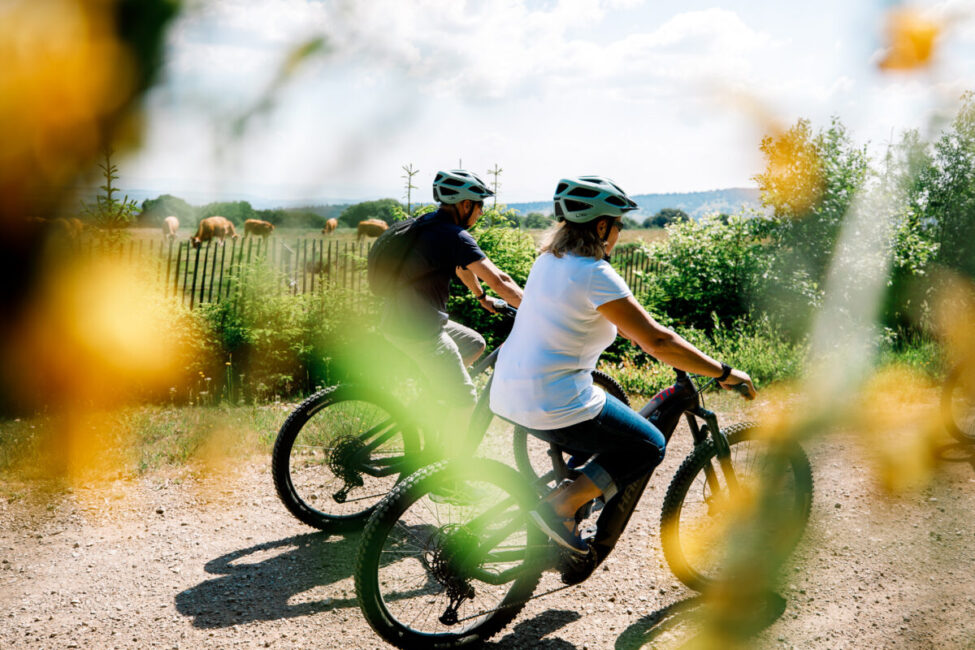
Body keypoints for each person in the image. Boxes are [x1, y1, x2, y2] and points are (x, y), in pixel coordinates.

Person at [489, 176, 756, 553]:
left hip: (508, 394)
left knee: (610, 416)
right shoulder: (593, 273)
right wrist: (724, 372)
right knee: (648, 444)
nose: (618, 232)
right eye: (618, 224)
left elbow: (592, 319)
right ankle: (560, 508)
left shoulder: (549, 261)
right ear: (602, 226)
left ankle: (575, 490)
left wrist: (640, 333)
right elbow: (658, 341)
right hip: (553, 402)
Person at [381, 169, 523, 459]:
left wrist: (481, 297)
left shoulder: (428, 224)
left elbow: (462, 267)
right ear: (465, 204)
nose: (481, 212)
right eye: (480, 205)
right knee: (465, 400)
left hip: (398, 319)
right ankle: (445, 473)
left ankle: (434, 399)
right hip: (419, 328)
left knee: (474, 343)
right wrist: (537, 310)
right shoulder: (455, 235)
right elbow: (501, 281)